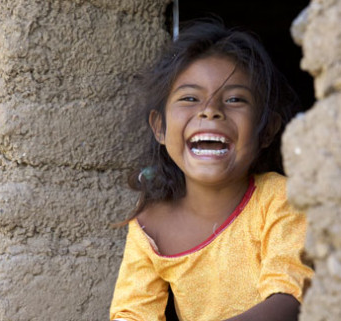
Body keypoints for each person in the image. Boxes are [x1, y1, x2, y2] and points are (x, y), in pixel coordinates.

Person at [110, 21, 313, 321]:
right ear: (160, 127)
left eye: (234, 99)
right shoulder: (149, 226)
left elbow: (290, 296)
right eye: (190, 98)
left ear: (266, 130)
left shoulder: (279, 198)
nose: (210, 111)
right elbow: (131, 313)